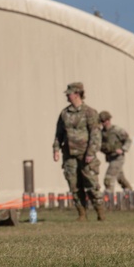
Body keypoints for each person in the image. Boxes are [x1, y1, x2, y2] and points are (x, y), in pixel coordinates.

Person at [52, 82, 106, 221]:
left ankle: (101, 214)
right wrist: (56, 149)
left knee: (92, 184)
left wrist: (90, 153)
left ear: (77, 94)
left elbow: (95, 134)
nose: (67, 96)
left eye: (69, 93)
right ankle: (82, 214)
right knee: (74, 185)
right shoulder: (65, 113)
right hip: (69, 155)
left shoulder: (90, 112)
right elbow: (59, 133)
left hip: (85, 154)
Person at [99, 110, 133, 194]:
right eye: (102, 121)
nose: (104, 123)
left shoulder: (117, 130)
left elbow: (128, 140)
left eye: (105, 121)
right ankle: (130, 192)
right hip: (110, 157)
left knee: (109, 177)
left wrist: (123, 149)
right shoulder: (101, 133)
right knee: (120, 178)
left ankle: (108, 197)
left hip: (118, 158)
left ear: (108, 120)